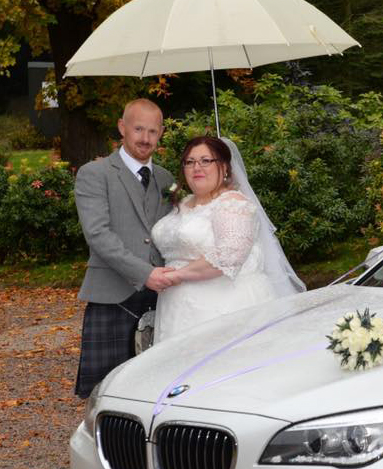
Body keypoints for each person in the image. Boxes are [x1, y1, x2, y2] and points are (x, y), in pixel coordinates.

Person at [150, 135, 305, 341]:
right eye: (190, 162)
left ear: (224, 167)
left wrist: (175, 276)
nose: (197, 167)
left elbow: (229, 256)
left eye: (206, 160)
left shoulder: (233, 203)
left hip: (224, 308)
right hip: (176, 311)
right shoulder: (183, 203)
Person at [73, 98, 176, 398]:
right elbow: (98, 235)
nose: (145, 138)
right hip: (112, 297)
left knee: (158, 388)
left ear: (161, 134)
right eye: (138, 129)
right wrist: (146, 274)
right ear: (122, 127)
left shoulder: (167, 180)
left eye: (153, 131)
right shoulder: (95, 174)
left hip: (162, 298)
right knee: (105, 392)